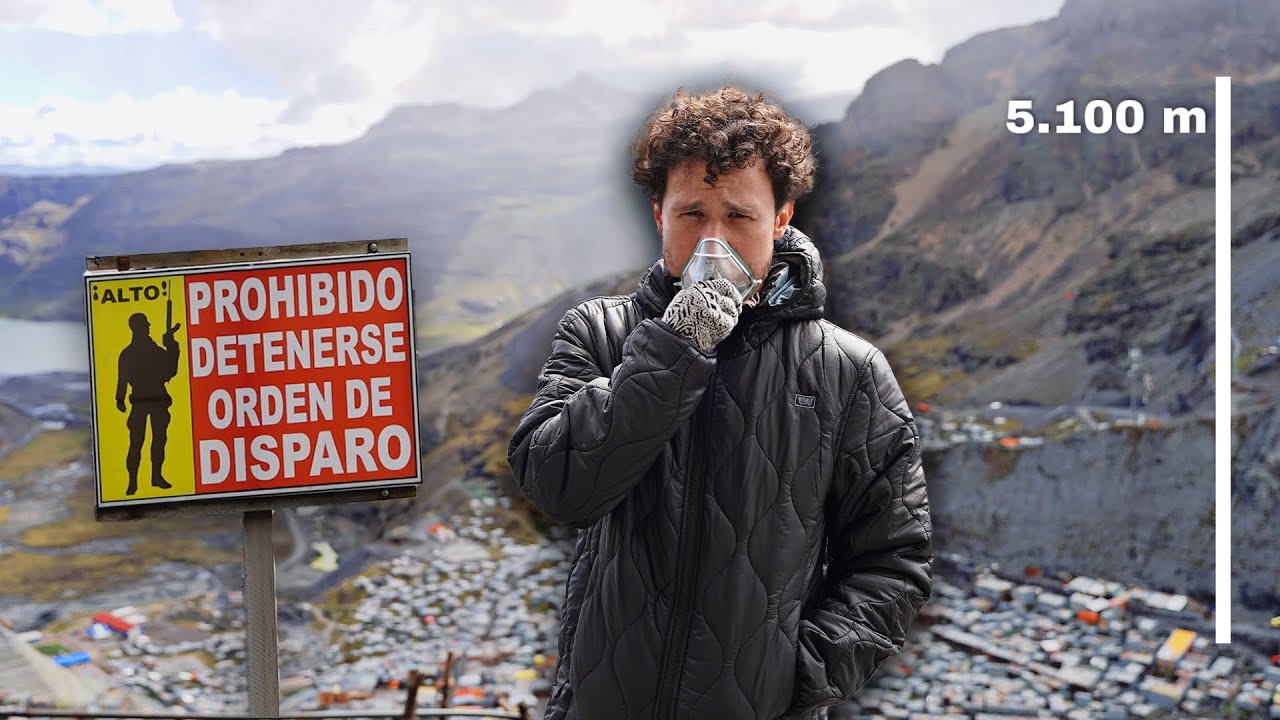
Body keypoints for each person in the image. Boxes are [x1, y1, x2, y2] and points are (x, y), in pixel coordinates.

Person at [508, 86, 932, 720]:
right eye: (691, 215)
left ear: (782, 217)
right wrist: (678, 344)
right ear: (658, 214)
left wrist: (798, 676)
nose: (714, 242)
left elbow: (894, 559)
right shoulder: (598, 333)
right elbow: (560, 486)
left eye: (738, 216)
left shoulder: (850, 373)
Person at [116, 310, 181, 495]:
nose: (148, 327)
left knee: (158, 440)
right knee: (137, 442)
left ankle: (156, 477)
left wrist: (170, 342)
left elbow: (170, 371)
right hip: (140, 402)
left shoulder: (149, 351)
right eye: (145, 324)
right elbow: (122, 378)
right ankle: (133, 481)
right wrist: (119, 399)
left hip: (158, 401)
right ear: (138, 328)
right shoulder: (129, 353)